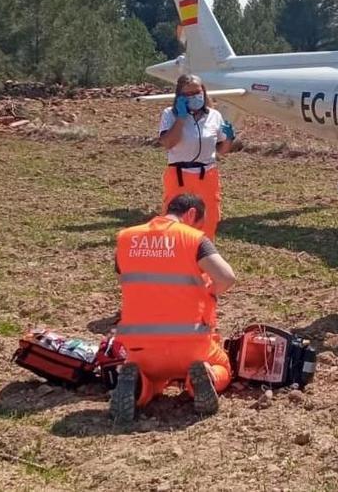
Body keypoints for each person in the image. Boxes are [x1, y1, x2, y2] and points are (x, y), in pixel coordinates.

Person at [110, 193, 237, 422]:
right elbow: (227, 277)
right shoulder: (194, 239)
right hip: (190, 347)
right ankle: (204, 377)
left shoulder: (126, 238)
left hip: (141, 349)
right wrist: (208, 290)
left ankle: (140, 386)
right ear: (191, 214)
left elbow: (124, 280)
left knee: (154, 379)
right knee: (223, 365)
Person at [158, 74, 234, 240]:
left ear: (204, 92)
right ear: (180, 96)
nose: (194, 97)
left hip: (207, 174)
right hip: (179, 175)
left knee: (209, 216)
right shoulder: (169, 115)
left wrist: (229, 138)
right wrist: (181, 118)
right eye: (188, 94)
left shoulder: (214, 115)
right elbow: (168, 143)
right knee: (175, 218)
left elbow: (222, 150)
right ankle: (174, 252)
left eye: (197, 92)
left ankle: (203, 254)